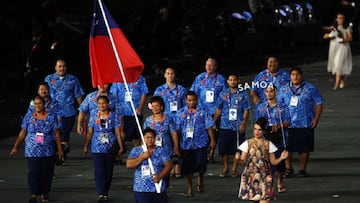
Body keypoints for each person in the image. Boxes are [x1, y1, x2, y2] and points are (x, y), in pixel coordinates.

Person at [10, 95, 64, 203]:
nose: (37, 105)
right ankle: (34, 193)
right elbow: (22, 133)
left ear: (44, 105)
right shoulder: (29, 116)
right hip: (32, 151)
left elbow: (57, 134)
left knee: (46, 173)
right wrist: (15, 146)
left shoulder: (52, 116)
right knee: (33, 172)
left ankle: (45, 193)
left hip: (47, 150)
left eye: (40, 103)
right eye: (35, 103)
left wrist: (60, 149)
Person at [278, 67, 324, 178]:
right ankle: (288, 168)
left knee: (304, 148)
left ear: (301, 76)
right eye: (293, 74)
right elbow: (278, 105)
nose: (295, 76)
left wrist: (316, 118)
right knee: (287, 147)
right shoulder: (283, 89)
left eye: (297, 74)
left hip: (305, 122)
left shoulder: (310, 88)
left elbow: (319, 102)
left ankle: (302, 169)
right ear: (290, 76)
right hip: (288, 123)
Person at [173, 91, 216, 197]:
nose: (192, 102)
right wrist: (176, 146)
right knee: (188, 168)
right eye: (189, 100)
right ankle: (189, 188)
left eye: (194, 100)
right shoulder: (180, 113)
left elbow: (209, 126)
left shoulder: (203, 112)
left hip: (200, 143)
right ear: (186, 101)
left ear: (197, 100)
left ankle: (200, 177)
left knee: (201, 164)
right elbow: (176, 130)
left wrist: (212, 140)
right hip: (185, 145)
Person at [235, 117, 288, 202]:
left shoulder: (268, 144)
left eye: (259, 130)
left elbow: (273, 162)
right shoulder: (247, 143)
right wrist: (237, 159)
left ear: (263, 131)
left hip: (265, 176)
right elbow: (242, 162)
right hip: (251, 175)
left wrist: (281, 158)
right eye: (255, 129)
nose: (257, 132)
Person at [83, 96, 124, 202]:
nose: (101, 105)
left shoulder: (114, 116)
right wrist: (86, 145)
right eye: (99, 103)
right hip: (96, 147)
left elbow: (118, 132)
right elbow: (90, 132)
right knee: (99, 171)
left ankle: (106, 191)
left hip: (110, 147)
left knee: (108, 171)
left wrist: (121, 146)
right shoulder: (94, 115)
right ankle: (101, 193)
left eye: (104, 103)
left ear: (108, 104)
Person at [44, 58, 84, 161]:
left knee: (64, 134)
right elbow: (44, 94)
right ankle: (57, 153)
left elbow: (78, 96)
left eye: (64, 66)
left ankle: (62, 155)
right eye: (60, 66)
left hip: (68, 111)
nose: (62, 68)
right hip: (53, 111)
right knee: (53, 134)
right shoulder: (49, 79)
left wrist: (83, 111)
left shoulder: (72, 79)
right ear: (55, 67)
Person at [254, 84, 291, 193]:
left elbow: (288, 121)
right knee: (265, 161)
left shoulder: (283, 107)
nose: (269, 93)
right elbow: (257, 123)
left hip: (279, 135)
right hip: (266, 136)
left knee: (280, 160)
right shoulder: (261, 107)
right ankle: (267, 183)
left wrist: (279, 126)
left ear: (275, 92)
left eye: (271, 91)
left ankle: (280, 180)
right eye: (267, 91)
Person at [213, 73, 251, 178]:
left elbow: (246, 110)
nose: (233, 81)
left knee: (237, 148)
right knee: (223, 148)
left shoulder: (243, 94)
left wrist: (243, 123)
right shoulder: (223, 94)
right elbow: (218, 109)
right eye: (230, 80)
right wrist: (213, 121)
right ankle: (226, 166)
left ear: (238, 81)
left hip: (237, 125)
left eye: (235, 80)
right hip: (225, 125)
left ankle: (234, 168)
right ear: (227, 82)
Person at [190, 58, 227, 161]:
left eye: (211, 65)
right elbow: (193, 92)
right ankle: (203, 153)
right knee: (202, 132)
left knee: (215, 133)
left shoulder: (221, 79)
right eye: (207, 65)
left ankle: (211, 154)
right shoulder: (200, 78)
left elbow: (225, 95)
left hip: (216, 111)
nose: (209, 67)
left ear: (215, 66)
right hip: (202, 110)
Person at [126, 128, 173, 203]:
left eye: (152, 137)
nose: (150, 140)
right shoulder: (136, 150)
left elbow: (169, 165)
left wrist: (160, 176)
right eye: (147, 137)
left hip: (158, 187)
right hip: (141, 188)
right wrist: (142, 157)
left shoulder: (161, 150)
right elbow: (129, 165)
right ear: (142, 138)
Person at [143, 96, 180, 182]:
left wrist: (176, 147)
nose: (155, 108)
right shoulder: (148, 120)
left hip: (166, 149)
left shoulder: (168, 119)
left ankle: (164, 190)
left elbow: (174, 133)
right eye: (153, 106)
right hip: (153, 150)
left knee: (166, 171)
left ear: (162, 107)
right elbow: (144, 136)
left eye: (157, 106)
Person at [110, 75, 149, 146]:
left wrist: (140, 108)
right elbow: (113, 95)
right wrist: (116, 110)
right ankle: (120, 152)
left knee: (137, 138)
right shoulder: (117, 78)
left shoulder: (139, 77)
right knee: (121, 137)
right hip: (122, 114)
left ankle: (137, 155)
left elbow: (144, 92)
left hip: (135, 113)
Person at [323, 12, 353, 90]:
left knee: (338, 64)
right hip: (334, 47)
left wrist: (343, 39)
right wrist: (330, 35)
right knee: (335, 65)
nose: (341, 19)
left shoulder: (347, 27)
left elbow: (350, 38)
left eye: (342, 18)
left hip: (343, 47)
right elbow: (325, 36)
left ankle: (336, 84)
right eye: (339, 18)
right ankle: (342, 80)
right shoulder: (333, 28)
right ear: (336, 19)